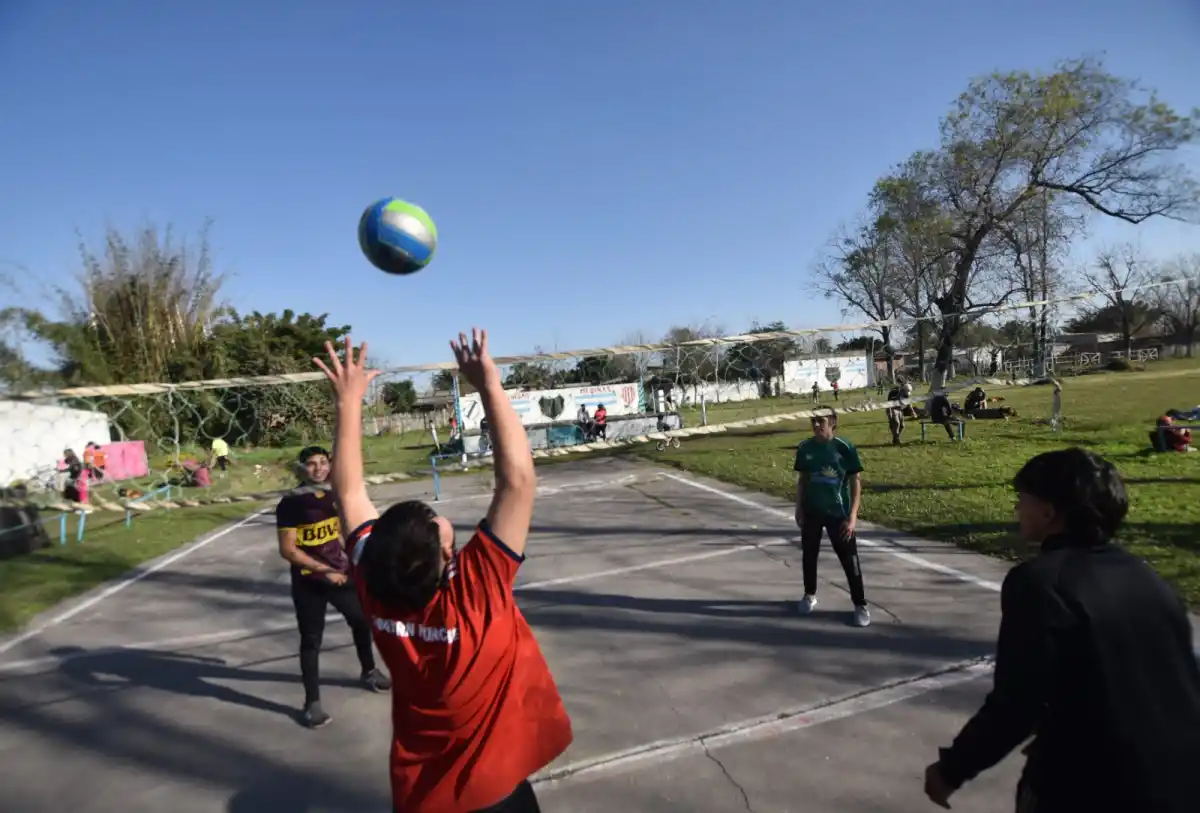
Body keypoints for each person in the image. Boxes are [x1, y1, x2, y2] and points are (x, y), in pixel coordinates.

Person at [314, 330, 572, 813]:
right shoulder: (476, 595)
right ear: (447, 556)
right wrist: (488, 384)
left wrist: (348, 403)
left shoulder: (373, 584)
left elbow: (347, 494)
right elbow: (517, 481)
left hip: (421, 796)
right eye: (437, 525)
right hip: (496, 792)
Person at [923, 448, 1200, 812]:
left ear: (1048, 512)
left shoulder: (1040, 583)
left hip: (1093, 789)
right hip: (1182, 779)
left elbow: (1017, 702)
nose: (1016, 509)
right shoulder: (1147, 578)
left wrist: (952, 770)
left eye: (1022, 499)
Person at [275, 445, 391, 729]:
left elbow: (338, 533)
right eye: (311, 463)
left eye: (323, 462)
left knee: (361, 621)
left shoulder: (332, 496)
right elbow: (288, 550)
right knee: (311, 640)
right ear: (302, 468)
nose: (319, 468)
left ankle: (369, 671)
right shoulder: (291, 503)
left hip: (340, 575)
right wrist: (325, 571)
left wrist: (352, 560)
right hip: (309, 582)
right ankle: (311, 704)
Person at [792, 411, 870, 627]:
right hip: (812, 511)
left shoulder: (844, 447)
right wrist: (799, 507)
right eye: (813, 421)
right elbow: (802, 480)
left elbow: (855, 482)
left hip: (839, 514)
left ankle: (860, 604)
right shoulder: (805, 448)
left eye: (821, 421)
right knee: (809, 556)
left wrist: (852, 517)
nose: (816, 424)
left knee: (850, 560)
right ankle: (809, 595)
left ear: (833, 422)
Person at [885, 381, 912, 445]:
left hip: (900, 409)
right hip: (892, 409)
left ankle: (895, 438)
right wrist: (889, 414)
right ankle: (897, 440)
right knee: (896, 423)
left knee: (902, 426)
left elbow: (909, 402)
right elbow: (890, 402)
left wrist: (912, 411)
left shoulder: (906, 393)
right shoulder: (894, 392)